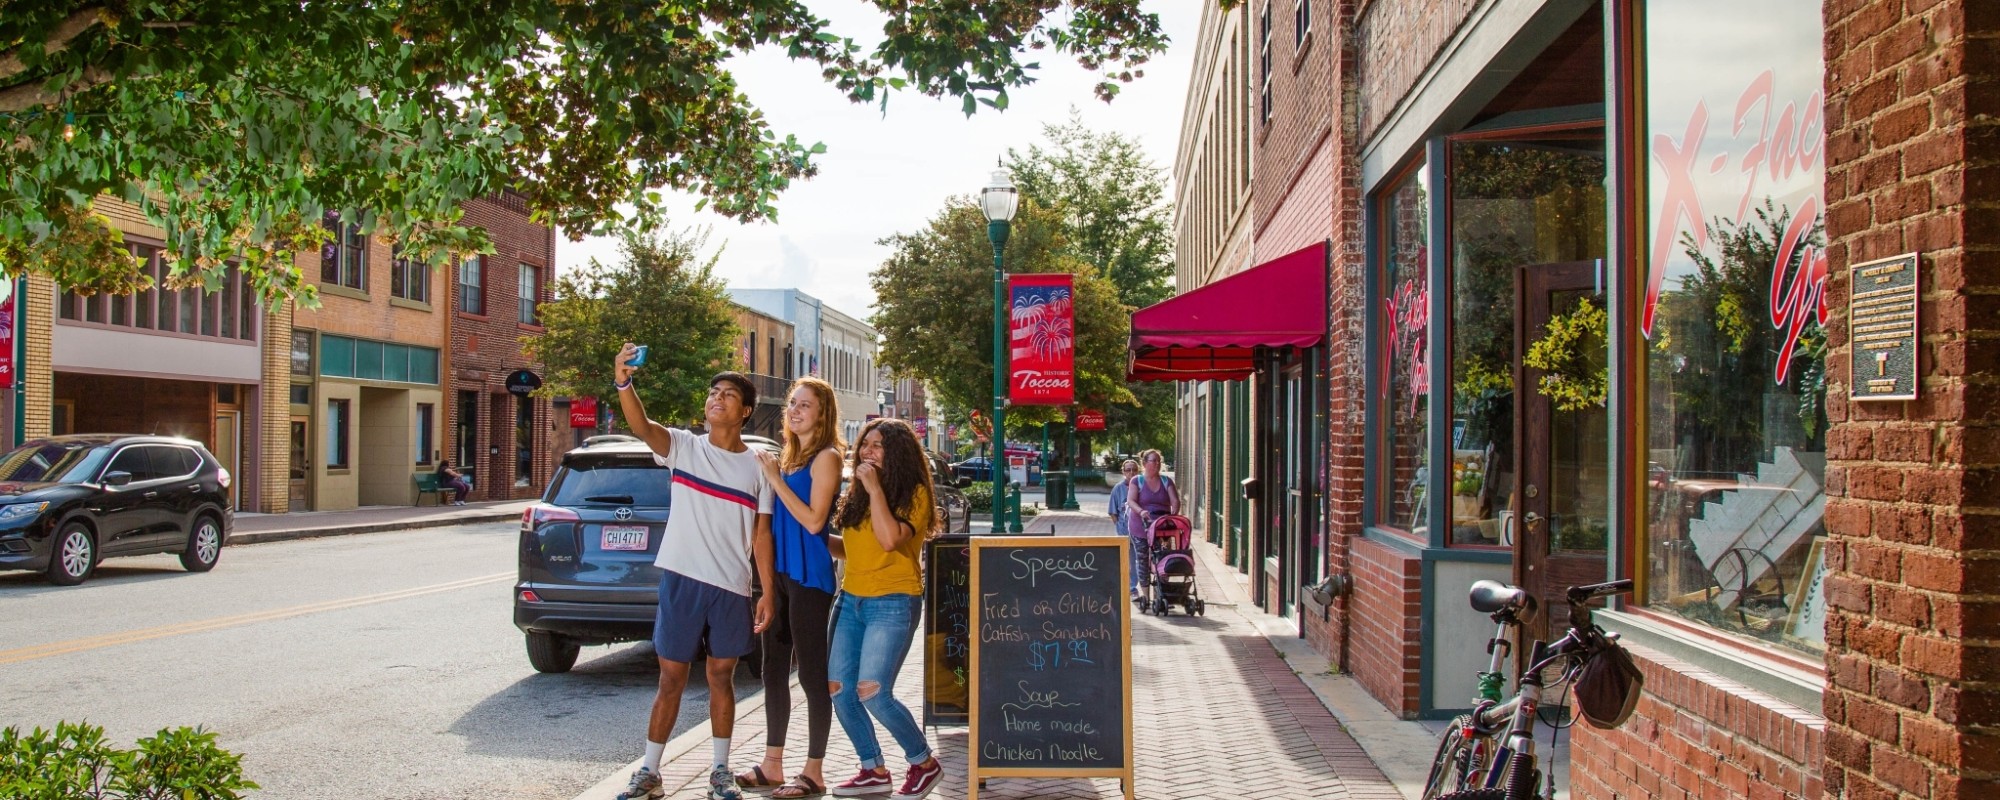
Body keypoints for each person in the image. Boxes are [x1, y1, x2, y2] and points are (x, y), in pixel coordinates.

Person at [610, 342, 777, 800]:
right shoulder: (684, 447)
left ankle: (720, 772)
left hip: (731, 586)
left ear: (744, 412)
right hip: (682, 579)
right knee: (671, 678)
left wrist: (768, 591)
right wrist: (624, 380)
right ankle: (649, 772)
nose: (715, 399)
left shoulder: (759, 467)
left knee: (721, 677)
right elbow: (641, 425)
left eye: (727, 395)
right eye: (712, 392)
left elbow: (763, 535)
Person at [824, 418, 943, 800]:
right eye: (865, 444)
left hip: (893, 601)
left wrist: (875, 489)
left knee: (873, 692)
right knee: (840, 691)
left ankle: (924, 762)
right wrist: (813, 536)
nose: (867, 452)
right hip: (850, 599)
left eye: (878, 446)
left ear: (898, 454)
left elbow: (890, 540)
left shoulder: (916, 494)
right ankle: (872, 768)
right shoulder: (857, 494)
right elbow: (853, 549)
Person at [738, 378, 845, 799]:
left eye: (805, 405)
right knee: (772, 670)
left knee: (813, 676)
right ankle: (772, 764)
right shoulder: (787, 458)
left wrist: (775, 478)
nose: (795, 411)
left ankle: (814, 772)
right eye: (792, 404)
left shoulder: (827, 458)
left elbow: (816, 521)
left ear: (822, 413)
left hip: (810, 579)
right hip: (779, 575)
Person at [1124, 450, 1179, 600]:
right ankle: (1146, 597)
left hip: (1162, 527)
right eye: (1153, 461)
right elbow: (1131, 501)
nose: (1156, 464)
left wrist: (1173, 514)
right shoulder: (1137, 481)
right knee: (1142, 559)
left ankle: (1161, 595)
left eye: (1158, 461)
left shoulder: (1166, 481)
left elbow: (1175, 500)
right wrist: (1141, 511)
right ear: (1144, 463)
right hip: (1140, 526)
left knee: (1162, 558)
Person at [1108, 459, 1140, 599]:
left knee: (1143, 561)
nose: (1131, 472)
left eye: (1133, 469)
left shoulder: (1142, 486)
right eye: (1128, 470)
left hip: (1141, 532)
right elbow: (1113, 512)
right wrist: (1120, 528)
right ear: (1123, 471)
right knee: (1129, 562)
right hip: (1125, 532)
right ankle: (1132, 589)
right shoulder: (1118, 489)